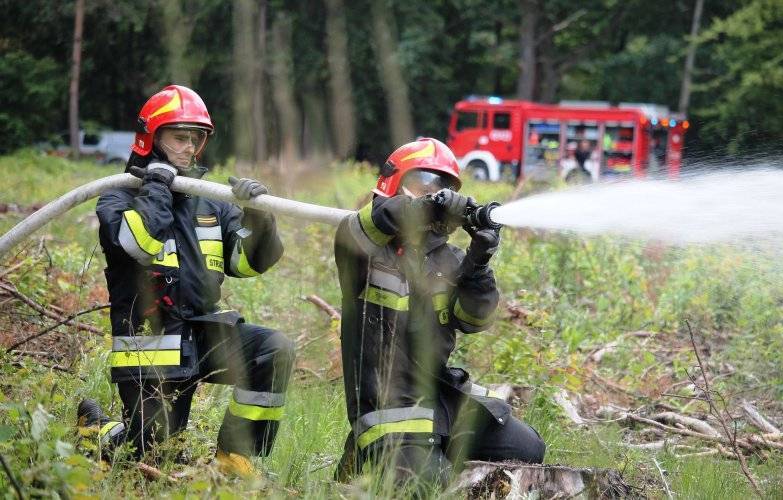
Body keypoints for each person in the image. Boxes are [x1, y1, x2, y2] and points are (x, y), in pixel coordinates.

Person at [77, 85, 294, 477]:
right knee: (149, 456)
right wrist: (157, 187)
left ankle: (234, 458)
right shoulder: (118, 197)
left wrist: (258, 217)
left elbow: (247, 264)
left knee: (272, 349)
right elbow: (138, 245)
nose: (189, 148)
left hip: (203, 335)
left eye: (195, 139)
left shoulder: (210, 201)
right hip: (151, 351)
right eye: (179, 137)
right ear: (151, 138)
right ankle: (97, 430)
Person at [333, 138, 545, 487]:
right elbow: (372, 222)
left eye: (442, 188)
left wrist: (478, 263)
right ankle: (365, 459)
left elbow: (475, 320)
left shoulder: (451, 260)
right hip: (387, 406)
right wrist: (423, 209)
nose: (433, 194)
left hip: (440, 398)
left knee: (527, 448)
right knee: (435, 484)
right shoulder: (363, 247)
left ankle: (429, 456)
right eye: (423, 185)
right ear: (393, 183)